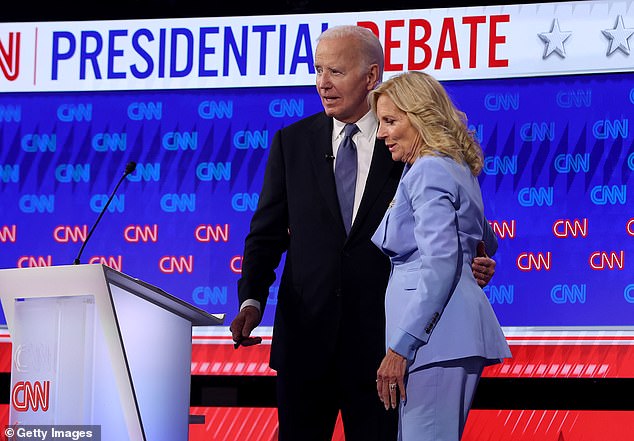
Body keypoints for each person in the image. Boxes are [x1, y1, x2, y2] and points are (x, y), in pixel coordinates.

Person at [230, 26, 497, 441]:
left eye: (335, 71)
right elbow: (265, 234)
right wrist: (251, 298)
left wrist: (470, 258)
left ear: (370, 76)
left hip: (383, 346)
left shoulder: (409, 147)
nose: (322, 83)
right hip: (306, 343)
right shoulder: (291, 143)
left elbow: (461, 224)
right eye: (318, 70)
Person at [370, 71, 512, 441]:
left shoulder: (428, 170)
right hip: (445, 337)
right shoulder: (452, 166)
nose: (381, 133)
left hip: (435, 340)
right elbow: (480, 238)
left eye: (390, 121)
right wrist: (476, 257)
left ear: (420, 116)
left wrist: (401, 347)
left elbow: (439, 262)